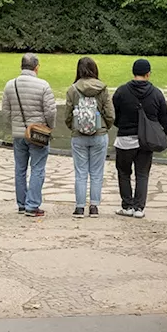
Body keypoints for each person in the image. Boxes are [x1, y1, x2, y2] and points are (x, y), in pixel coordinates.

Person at [1, 53, 56, 217]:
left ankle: (22, 204)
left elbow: (5, 112)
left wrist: (14, 126)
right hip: (38, 134)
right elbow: (51, 111)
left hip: (18, 134)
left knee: (20, 169)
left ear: (21, 67)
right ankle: (32, 205)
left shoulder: (10, 85)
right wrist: (49, 127)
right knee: (38, 168)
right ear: (36, 67)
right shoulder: (43, 86)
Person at [112, 58, 167, 219]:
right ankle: (139, 208)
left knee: (123, 172)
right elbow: (163, 118)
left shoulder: (121, 92)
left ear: (133, 72)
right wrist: (163, 134)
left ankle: (127, 205)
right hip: (147, 141)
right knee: (142, 174)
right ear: (148, 74)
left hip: (125, 139)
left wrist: (122, 125)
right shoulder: (157, 94)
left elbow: (115, 114)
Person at [64, 56, 114, 219]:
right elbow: (110, 114)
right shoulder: (103, 88)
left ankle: (79, 207)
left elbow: (67, 115)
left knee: (80, 173)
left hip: (78, 136)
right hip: (100, 134)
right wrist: (104, 126)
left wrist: (74, 127)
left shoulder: (73, 90)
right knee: (97, 172)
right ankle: (94, 206)